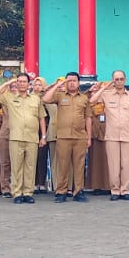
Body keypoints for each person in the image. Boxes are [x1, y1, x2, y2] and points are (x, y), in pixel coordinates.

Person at [0, 76, 46, 204]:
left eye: (24, 82)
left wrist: (43, 136)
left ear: (29, 84)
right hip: (15, 137)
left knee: (30, 166)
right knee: (16, 166)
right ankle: (17, 193)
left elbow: (41, 117)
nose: (21, 84)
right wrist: (8, 83)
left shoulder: (35, 99)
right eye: (19, 82)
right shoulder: (9, 97)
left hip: (32, 137)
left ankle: (27, 192)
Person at [43, 73, 93, 202]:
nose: (71, 83)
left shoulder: (84, 98)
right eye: (69, 81)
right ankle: (61, 192)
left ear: (78, 83)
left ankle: (78, 192)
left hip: (80, 137)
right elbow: (46, 99)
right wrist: (58, 85)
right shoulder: (60, 96)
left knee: (79, 166)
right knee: (63, 166)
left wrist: (89, 137)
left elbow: (88, 118)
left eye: (74, 81)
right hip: (63, 137)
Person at [92, 70, 129, 200]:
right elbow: (92, 100)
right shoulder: (107, 95)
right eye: (116, 79)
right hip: (112, 135)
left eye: (121, 79)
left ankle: (125, 190)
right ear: (113, 80)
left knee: (126, 164)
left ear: (125, 80)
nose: (119, 81)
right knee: (113, 165)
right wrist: (105, 88)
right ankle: (115, 191)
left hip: (127, 134)